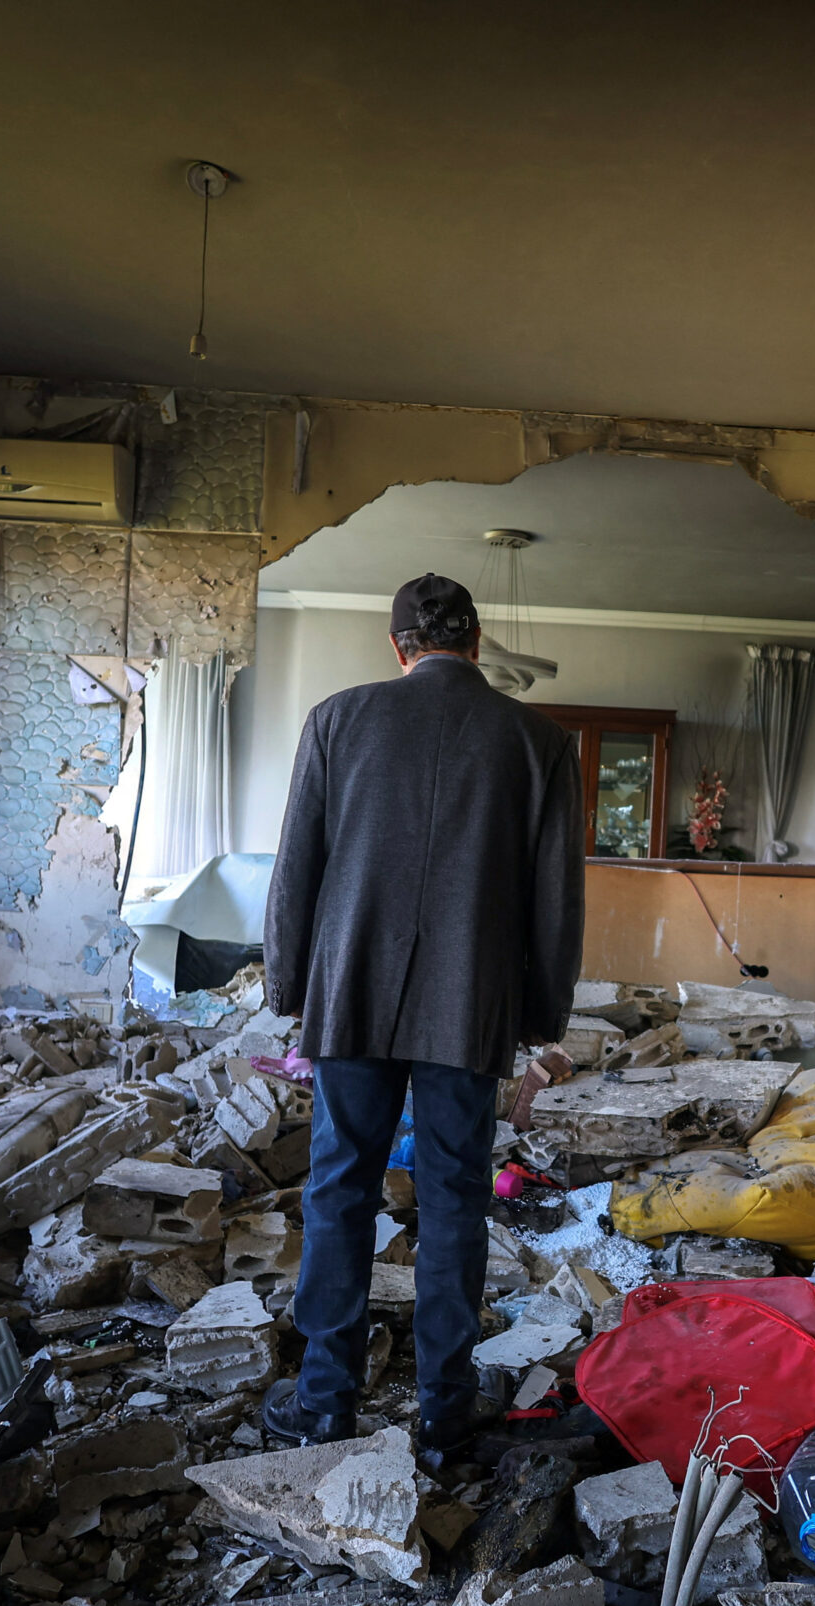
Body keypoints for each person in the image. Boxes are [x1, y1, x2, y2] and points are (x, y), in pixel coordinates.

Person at [260, 572, 585, 1450]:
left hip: (354, 990)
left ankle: (326, 1398)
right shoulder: (540, 741)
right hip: (470, 1001)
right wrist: (541, 1016)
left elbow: (297, 871)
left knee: (339, 1190)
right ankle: (445, 1414)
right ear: (477, 644)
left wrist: (287, 988)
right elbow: (556, 902)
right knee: (454, 1202)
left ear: (398, 647)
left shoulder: (336, 719)